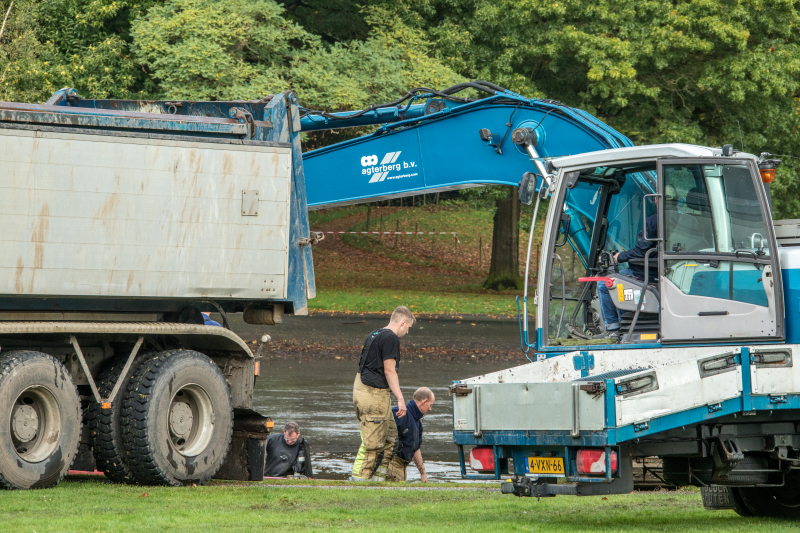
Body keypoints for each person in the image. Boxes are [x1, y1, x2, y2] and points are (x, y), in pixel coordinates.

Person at [351, 306, 415, 481]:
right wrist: (401, 399)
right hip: (373, 395)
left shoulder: (375, 334)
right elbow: (389, 371)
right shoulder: (391, 338)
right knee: (374, 445)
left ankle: (378, 481)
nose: (407, 331)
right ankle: (359, 484)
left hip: (366, 392)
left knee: (391, 437)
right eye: (408, 327)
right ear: (402, 322)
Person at [597, 193, 664, 338]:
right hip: (661, 273)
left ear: (655, 199)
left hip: (645, 274)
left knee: (605, 285)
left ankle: (613, 328)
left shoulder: (652, 220)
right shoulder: (679, 219)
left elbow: (642, 250)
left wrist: (619, 257)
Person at [386, 387, 435, 482]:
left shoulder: (418, 423)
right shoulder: (398, 413)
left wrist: (423, 473)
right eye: (430, 405)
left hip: (402, 467)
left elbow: (416, 449)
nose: (430, 409)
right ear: (424, 402)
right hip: (392, 464)